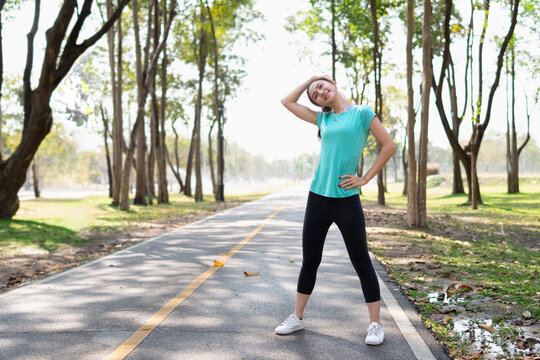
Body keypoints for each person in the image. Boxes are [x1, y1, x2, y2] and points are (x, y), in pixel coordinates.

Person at [275, 75, 396, 346]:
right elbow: (286, 101)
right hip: (318, 197)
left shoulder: (362, 114)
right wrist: (308, 80)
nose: (320, 93)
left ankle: (375, 325)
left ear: (332, 82)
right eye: (315, 94)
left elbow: (389, 146)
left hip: (346, 199)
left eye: (322, 86)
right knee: (310, 261)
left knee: (361, 261)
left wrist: (364, 178)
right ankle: (297, 316)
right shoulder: (323, 119)